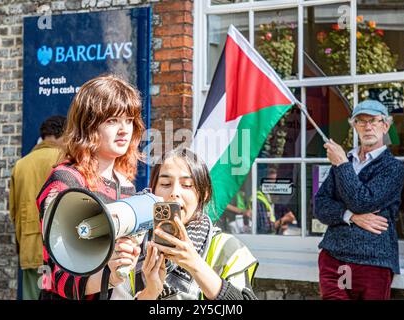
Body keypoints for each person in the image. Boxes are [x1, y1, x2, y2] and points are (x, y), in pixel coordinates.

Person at [36, 74, 145, 300]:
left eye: (129, 120)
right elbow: (55, 276)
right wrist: (111, 276)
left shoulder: (126, 184)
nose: (124, 129)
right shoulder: (65, 180)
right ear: (88, 125)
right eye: (112, 120)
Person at [132, 148, 258, 300]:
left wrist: (195, 264)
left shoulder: (229, 249)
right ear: (153, 192)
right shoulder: (134, 247)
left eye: (186, 185)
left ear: (203, 194)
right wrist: (150, 293)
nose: (174, 192)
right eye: (165, 184)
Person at [315, 100, 404, 300]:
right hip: (334, 259)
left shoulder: (393, 168)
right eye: (361, 121)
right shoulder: (345, 161)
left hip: (373, 263)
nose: (368, 126)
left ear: (385, 126)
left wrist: (341, 164)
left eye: (374, 120)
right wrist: (350, 216)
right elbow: (320, 205)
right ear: (354, 126)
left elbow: (363, 202)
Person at [9, 115, 67, 300]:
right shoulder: (66, 160)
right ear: (62, 134)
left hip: (31, 247)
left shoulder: (21, 165)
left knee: (33, 294)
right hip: (62, 248)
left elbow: (13, 212)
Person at [256, 168, 297, 234]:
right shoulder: (260, 200)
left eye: (276, 181)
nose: (274, 185)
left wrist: (284, 223)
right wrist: (283, 219)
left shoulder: (279, 201)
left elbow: (292, 218)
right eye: (271, 181)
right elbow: (265, 229)